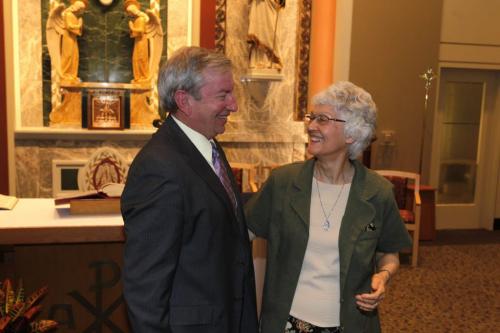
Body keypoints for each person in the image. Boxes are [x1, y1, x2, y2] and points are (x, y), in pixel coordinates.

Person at [245, 81, 412, 332]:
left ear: (351, 134)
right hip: (287, 323)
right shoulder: (284, 182)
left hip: (351, 324)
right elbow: (242, 231)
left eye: (323, 119)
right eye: (312, 117)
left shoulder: (377, 192)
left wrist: (383, 276)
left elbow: (389, 253)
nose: (311, 126)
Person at [121, 46, 258, 333]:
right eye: (223, 95)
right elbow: (146, 287)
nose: (233, 105)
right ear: (184, 100)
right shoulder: (159, 168)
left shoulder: (207, 144)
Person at [247, 0, 285, 70]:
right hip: (259, 6)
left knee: (272, 32)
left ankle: (273, 61)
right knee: (259, 30)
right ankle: (258, 61)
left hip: (271, 5)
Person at [60, 0, 87, 82]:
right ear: (78, 8)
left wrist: (79, 26)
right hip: (67, 38)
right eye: (81, 9)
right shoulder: (68, 14)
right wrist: (79, 25)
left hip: (73, 38)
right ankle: (63, 75)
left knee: (75, 56)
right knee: (68, 55)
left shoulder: (74, 16)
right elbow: (69, 26)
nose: (82, 11)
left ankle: (72, 75)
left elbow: (77, 30)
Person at [125, 0, 150, 83]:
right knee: (135, 59)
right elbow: (134, 34)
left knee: (141, 58)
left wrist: (132, 28)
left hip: (142, 42)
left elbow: (141, 31)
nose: (129, 14)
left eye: (130, 12)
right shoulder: (136, 20)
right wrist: (131, 31)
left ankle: (143, 76)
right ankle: (138, 77)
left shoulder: (142, 19)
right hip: (137, 41)